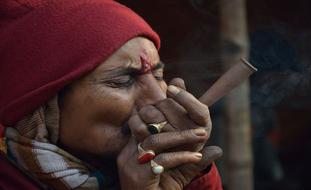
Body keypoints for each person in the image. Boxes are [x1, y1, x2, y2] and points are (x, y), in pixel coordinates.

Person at [0, 0, 223, 189]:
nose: (159, 99)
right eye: (121, 81)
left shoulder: (178, 176)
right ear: (42, 104)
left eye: (158, 75)